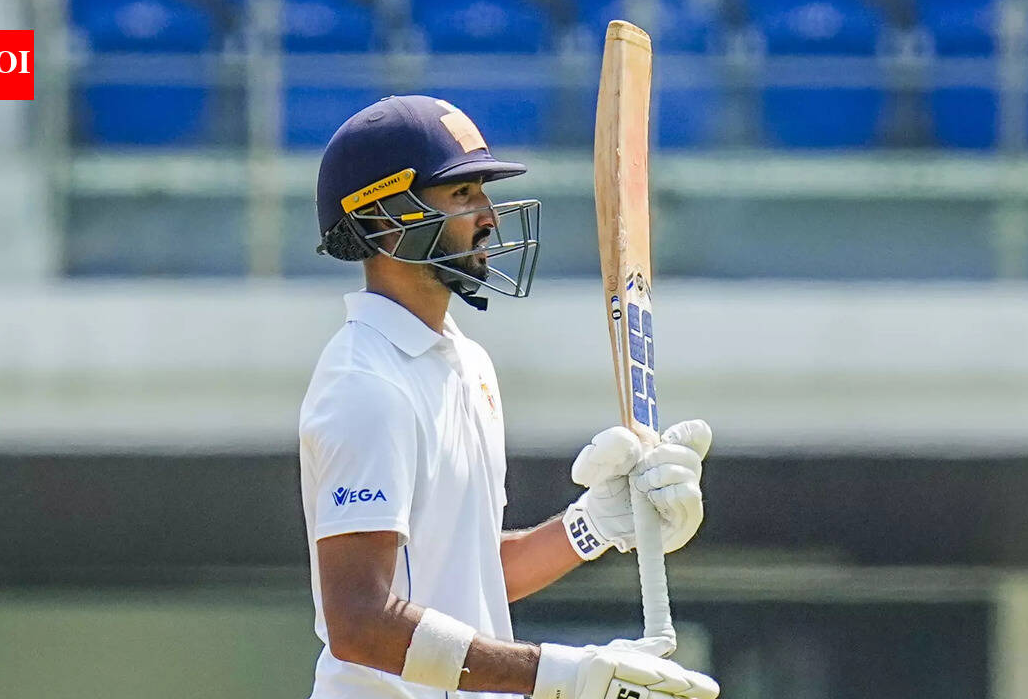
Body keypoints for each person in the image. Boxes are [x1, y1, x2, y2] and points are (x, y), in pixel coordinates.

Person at [299, 94, 719, 699]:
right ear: (386, 219)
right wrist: (558, 676)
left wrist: (593, 524)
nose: (489, 215)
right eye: (462, 195)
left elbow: (470, 574)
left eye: (481, 192)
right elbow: (360, 624)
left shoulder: (466, 362)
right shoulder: (363, 385)